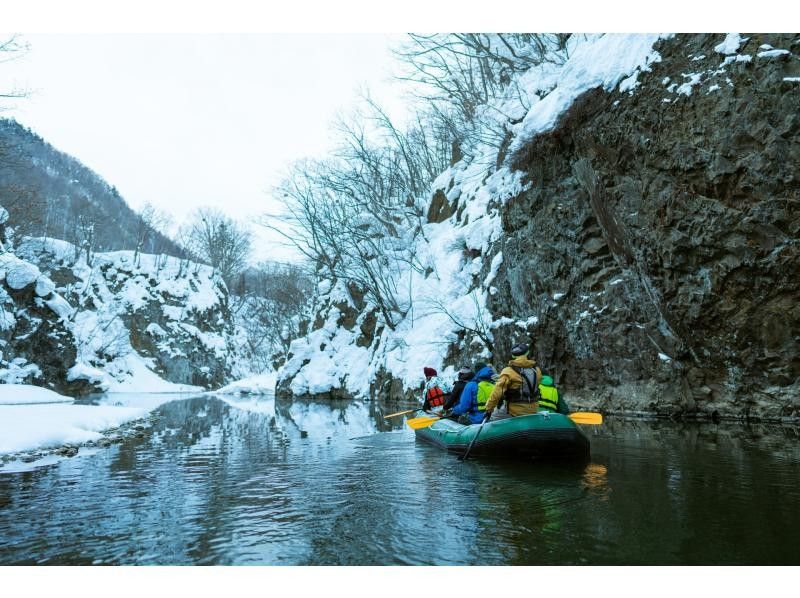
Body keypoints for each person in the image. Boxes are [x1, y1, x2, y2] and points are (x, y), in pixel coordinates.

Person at [484, 343, 542, 419]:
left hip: (515, 411)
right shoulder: (536, 370)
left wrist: (489, 409)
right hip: (533, 410)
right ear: (527, 353)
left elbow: (497, 393)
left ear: (513, 356)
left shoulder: (508, 371)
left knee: (493, 416)